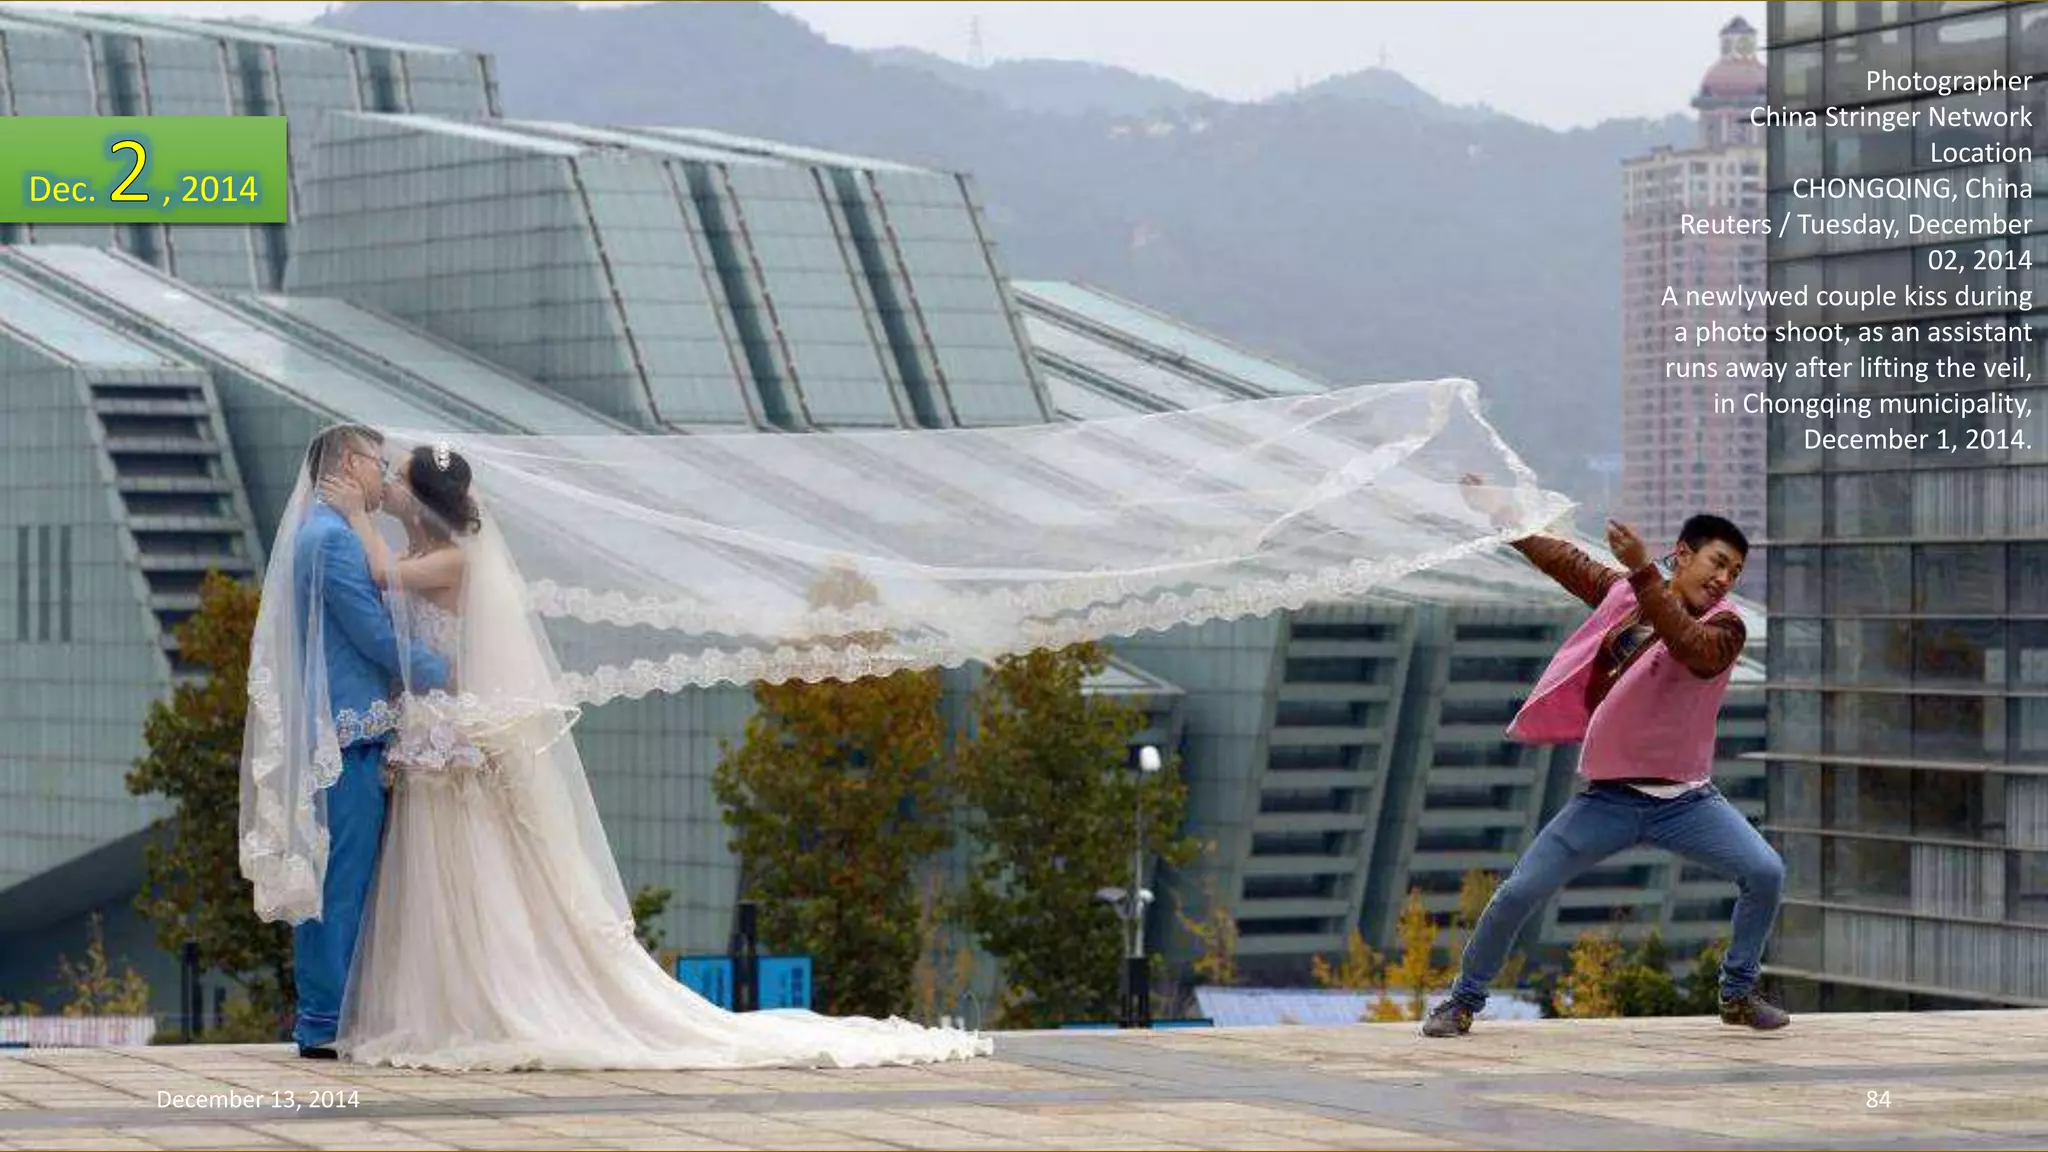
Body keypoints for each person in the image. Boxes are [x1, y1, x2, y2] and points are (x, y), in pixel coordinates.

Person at [310, 440, 992, 1070]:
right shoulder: (430, 550)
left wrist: (358, 515)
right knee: (442, 871)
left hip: (455, 734)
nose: (388, 483)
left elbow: (382, 576)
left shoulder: (453, 558)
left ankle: (484, 998)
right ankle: (444, 996)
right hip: (440, 732)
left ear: (423, 499)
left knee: (470, 869)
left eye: (399, 478)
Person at [1421, 476, 1787, 1037]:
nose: (1723, 579)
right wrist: (1506, 515)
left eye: (1734, 572)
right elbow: (1566, 560)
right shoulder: (1628, 596)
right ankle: (1462, 1001)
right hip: (1608, 800)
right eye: (1717, 563)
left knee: (1764, 871)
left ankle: (1737, 994)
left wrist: (1643, 572)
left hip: (1686, 801)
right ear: (1683, 555)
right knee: (1519, 891)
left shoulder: (1726, 627)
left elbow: (1690, 648)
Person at [287, 426, 451, 1059]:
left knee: (345, 874)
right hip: (345, 732)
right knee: (340, 878)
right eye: (378, 464)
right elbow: (375, 637)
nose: (384, 477)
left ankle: (332, 1015)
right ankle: (324, 1021)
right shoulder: (331, 539)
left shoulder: (335, 532)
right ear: (351, 465)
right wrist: (446, 673)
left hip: (354, 728)